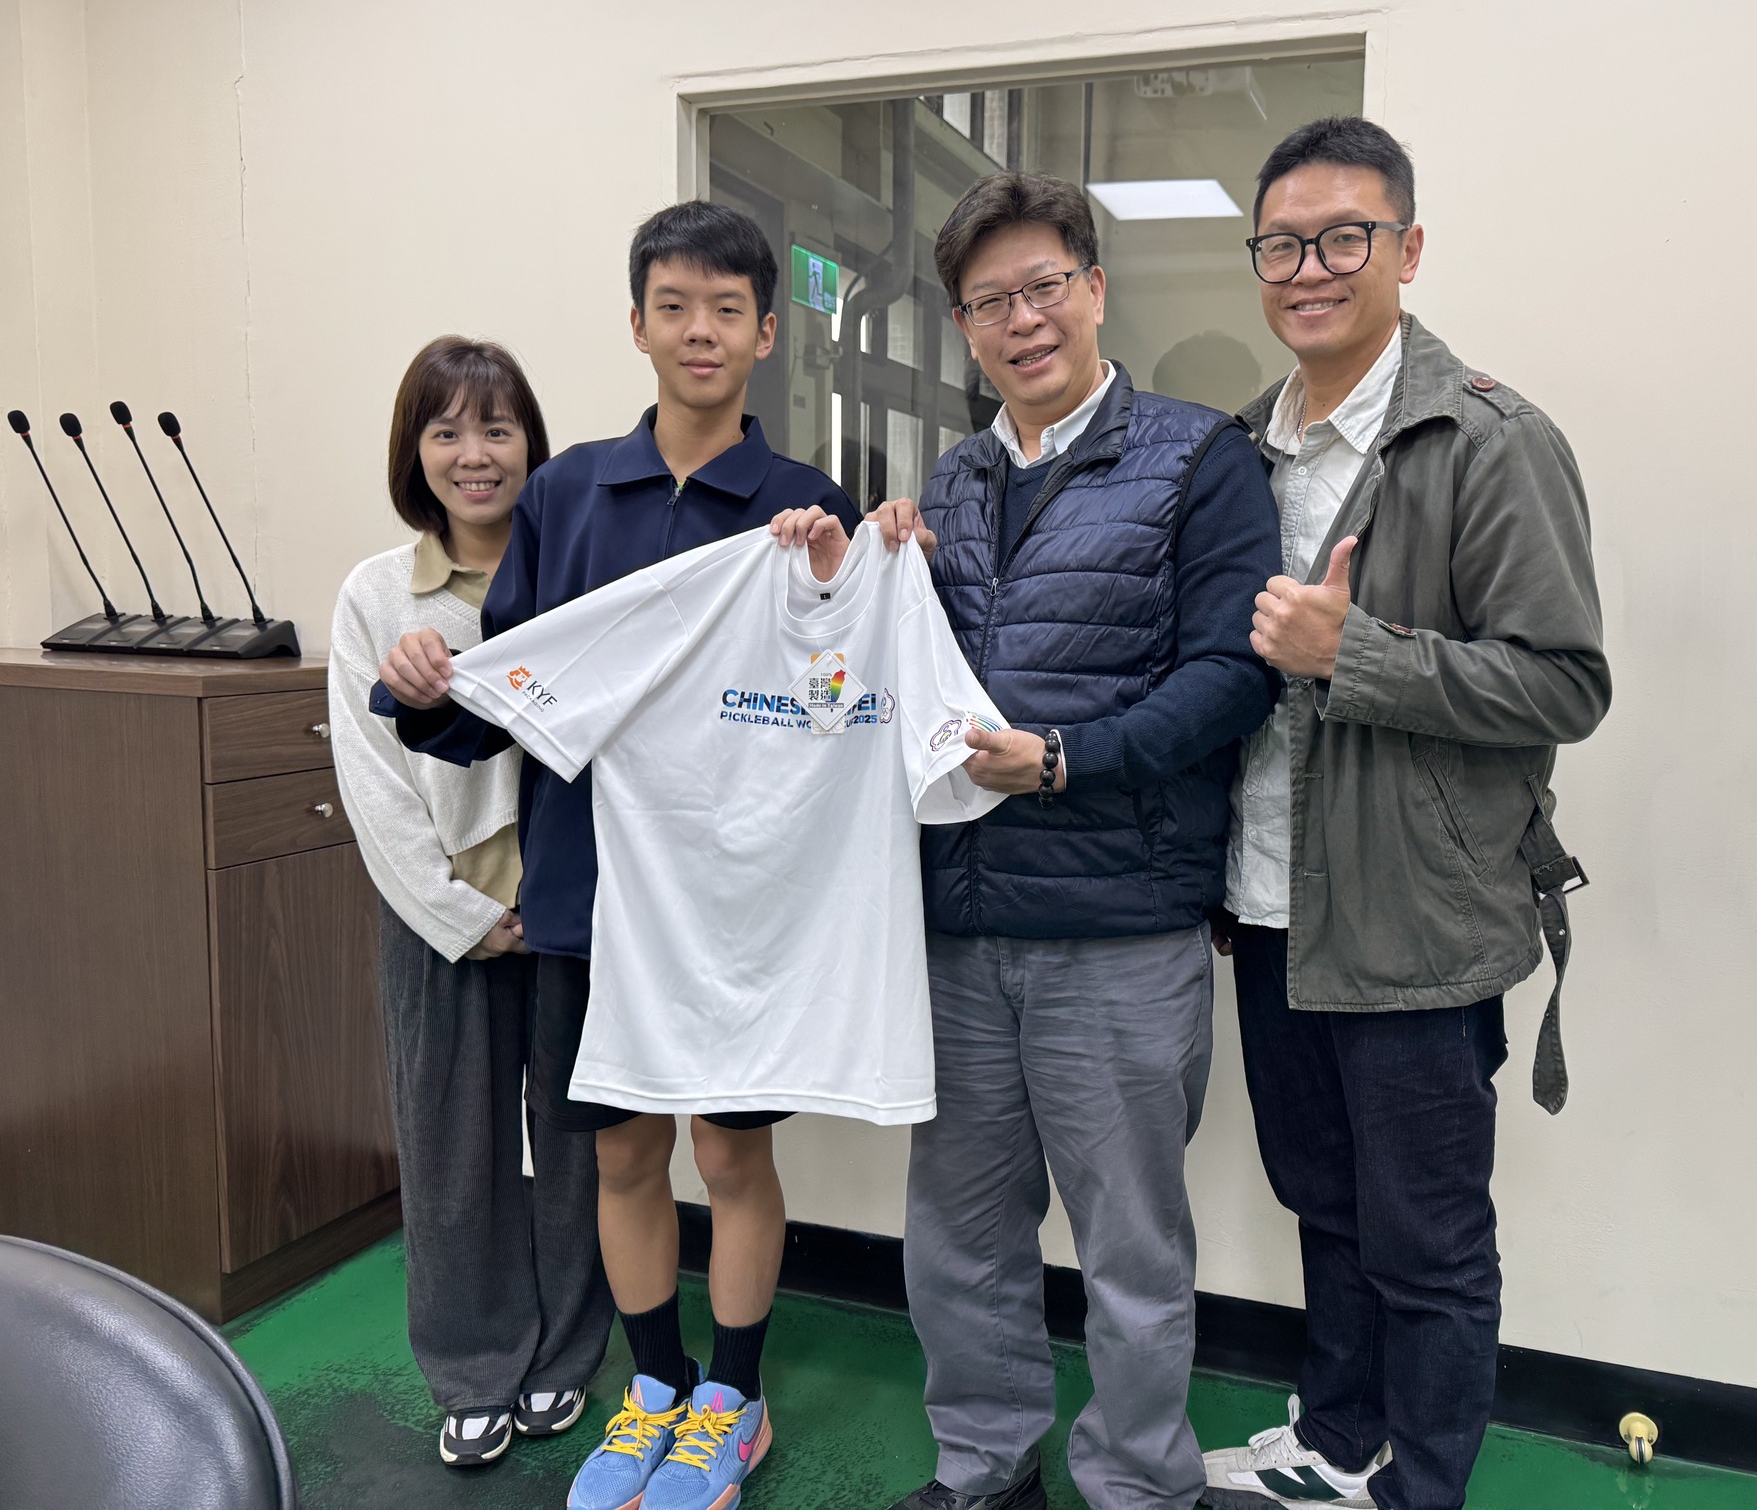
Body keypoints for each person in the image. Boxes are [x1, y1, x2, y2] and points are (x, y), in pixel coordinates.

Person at [791, 170, 1282, 1510]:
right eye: (988, 301)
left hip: (1118, 932)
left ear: (1095, 290)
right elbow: (899, 678)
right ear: (961, 326)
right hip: (959, 931)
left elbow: (1232, 677)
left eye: (1043, 287)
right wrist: (850, 576)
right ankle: (985, 1469)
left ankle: (1136, 1486)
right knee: (957, 1240)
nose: (1021, 320)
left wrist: (1065, 759)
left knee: (1130, 1250)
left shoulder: (1197, 459)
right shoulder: (949, 481)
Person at [371, 203, 859, 1510]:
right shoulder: (568, 493)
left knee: (734, 1159)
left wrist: (842, 596)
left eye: (726, 310)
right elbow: (517, 694)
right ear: (636, 324)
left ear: (767, 332)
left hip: (739, 907)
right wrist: (426, 691)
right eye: (674, 307)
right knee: (622, 1158)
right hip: (591, 900)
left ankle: (732, 1402)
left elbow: (841, 718)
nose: (700, 332)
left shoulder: (808, 505)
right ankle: (654, 1389)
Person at [1199, 117, 1610, 1510]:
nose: (1309, 268)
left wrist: (1354, 655)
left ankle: (1421, 1488)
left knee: (1427, 1242)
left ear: (1407, 249)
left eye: (1343, 237)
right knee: (1322, 1203)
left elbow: (1565, 682)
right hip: (1269, 903)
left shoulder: (1488, 440)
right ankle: (1337, 1441)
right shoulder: (1241, 451)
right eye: (1282, 244)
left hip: (1417, 920)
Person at [329, 336, 613, 1469]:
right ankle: (472, 1368)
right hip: (440, 925)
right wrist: (459, 914)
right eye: (445, 431)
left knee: (581, 1147)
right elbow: (372, 782)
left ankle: (567, 1356)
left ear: (532, 445)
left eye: (497, 428)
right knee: (451, 1152)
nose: (474, 454)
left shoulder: (575, 573)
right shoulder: (375, 596)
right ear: (415, 452)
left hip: (570, 916)